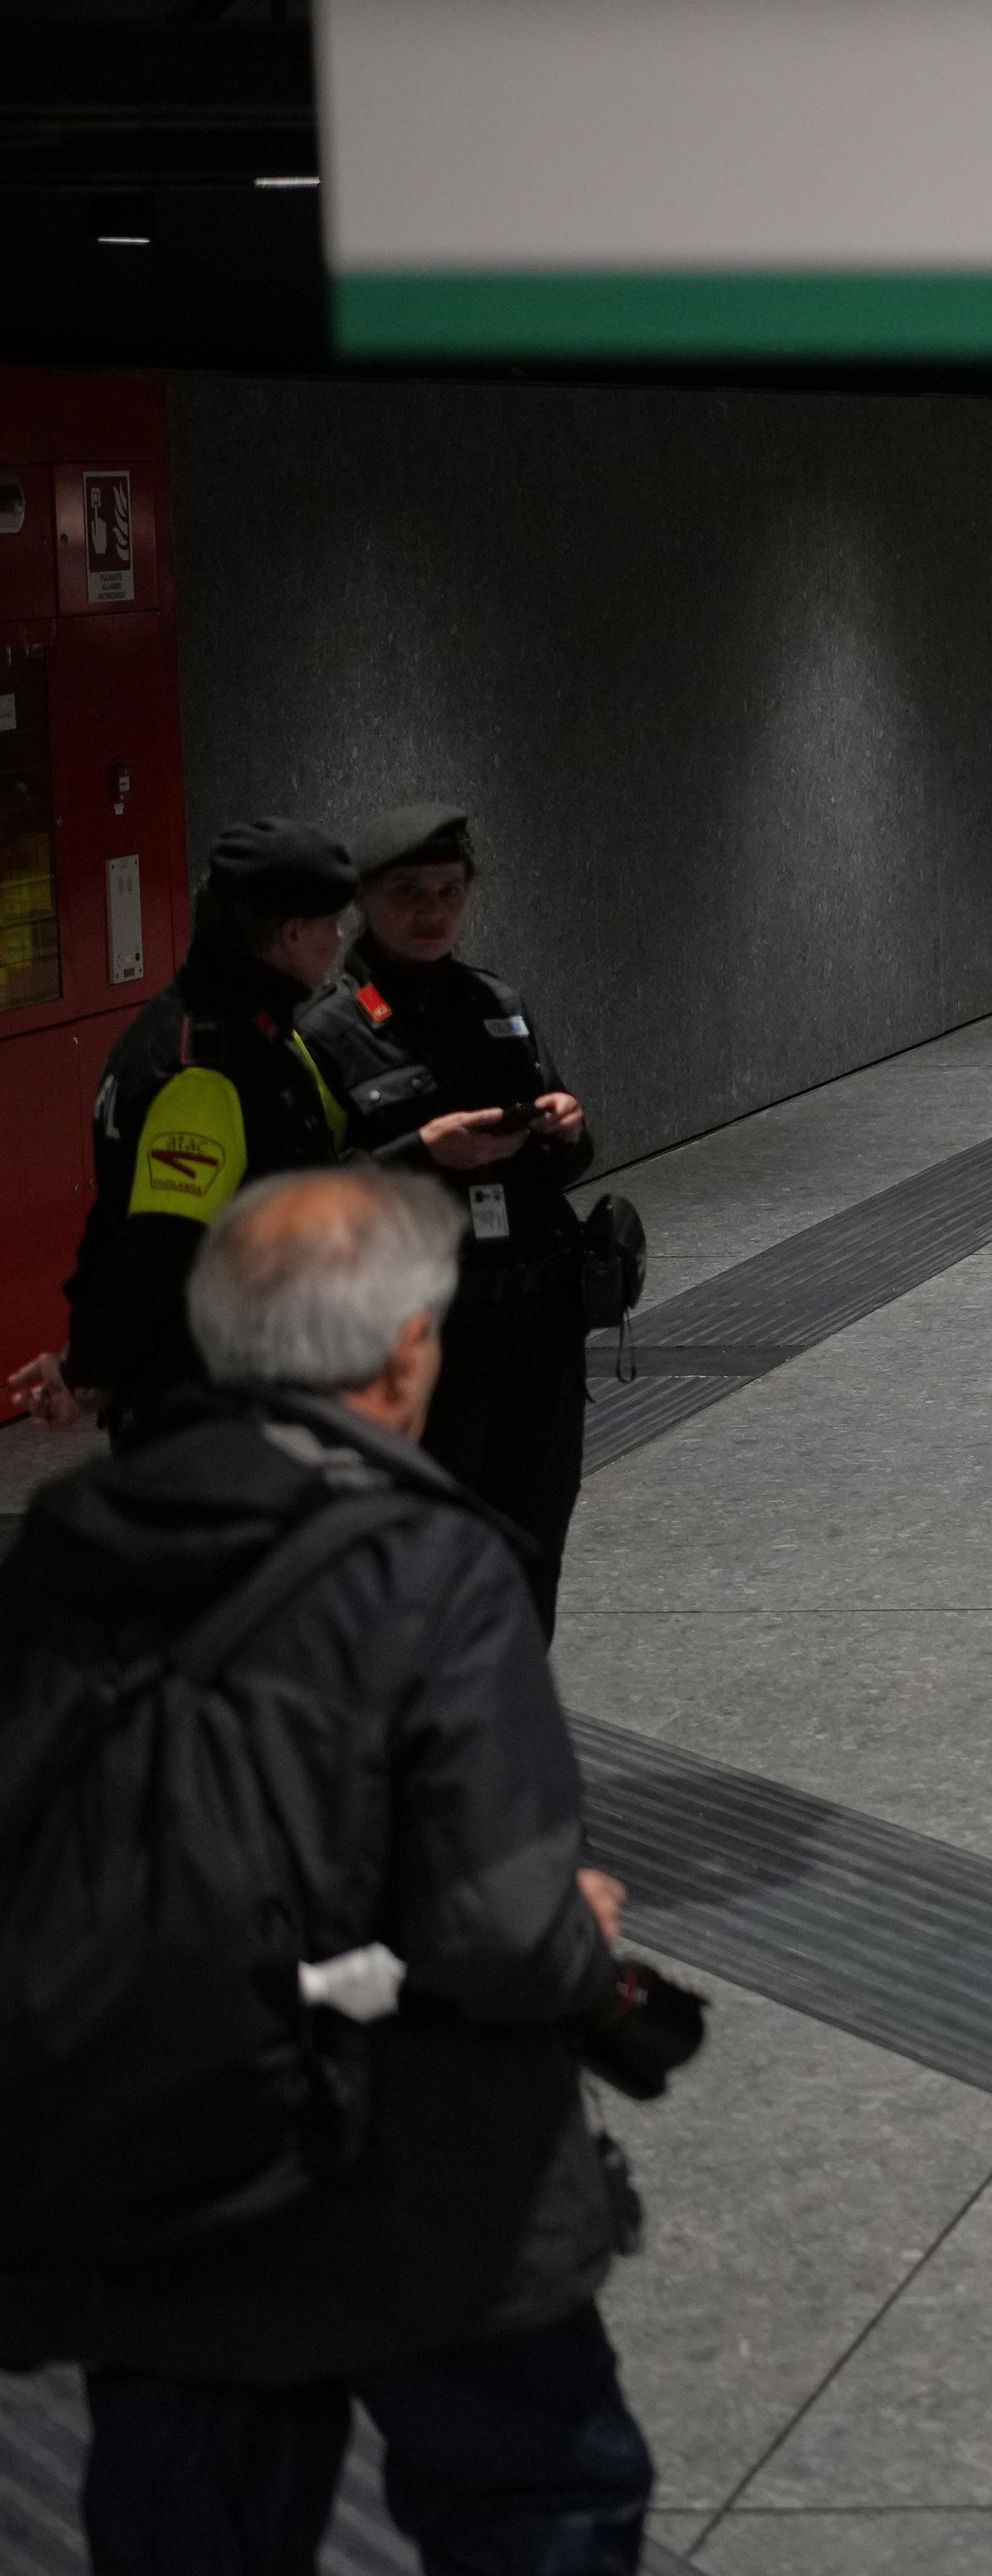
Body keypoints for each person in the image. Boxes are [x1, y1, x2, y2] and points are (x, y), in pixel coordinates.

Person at [0, 1167, 657, 2574]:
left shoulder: (73, 1539)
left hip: (160, 2151)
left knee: (191, 2533)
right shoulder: (434, 1566)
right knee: (540, 2499)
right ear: (409, 1349)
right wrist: (579, 1932)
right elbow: (499, 1929)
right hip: (428, 2174)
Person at [296, 809, 598, 1634]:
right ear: (363, 899)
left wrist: (567, 1129)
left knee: (530, 1552)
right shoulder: (326, 1033)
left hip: (535, 1333)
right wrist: (423, 1154)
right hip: (419, 1341)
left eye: (448, 893)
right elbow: (301, 1201)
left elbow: (569, 1167)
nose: (432, 913)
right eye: (408, 893)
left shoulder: (500, 1004)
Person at [30, 824, 364, 1435]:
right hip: (216, 1406)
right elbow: (156, 1249)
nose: (339, 938)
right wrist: (88, 1368)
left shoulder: (233, 1025)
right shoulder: (208, 1072)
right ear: (290, 935)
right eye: (330, 923)